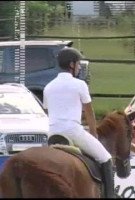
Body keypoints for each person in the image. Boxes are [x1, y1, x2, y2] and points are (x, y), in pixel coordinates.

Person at [43, 47, 115, 198]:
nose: (80, 66)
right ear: (71, 65)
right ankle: (110, 196)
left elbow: (48, 112)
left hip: (53, 133)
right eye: (78, 63)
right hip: (73, 132)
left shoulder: (48, 87)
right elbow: (89, 112)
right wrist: (94, 134)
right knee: (106, 158)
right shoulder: (80, 85)